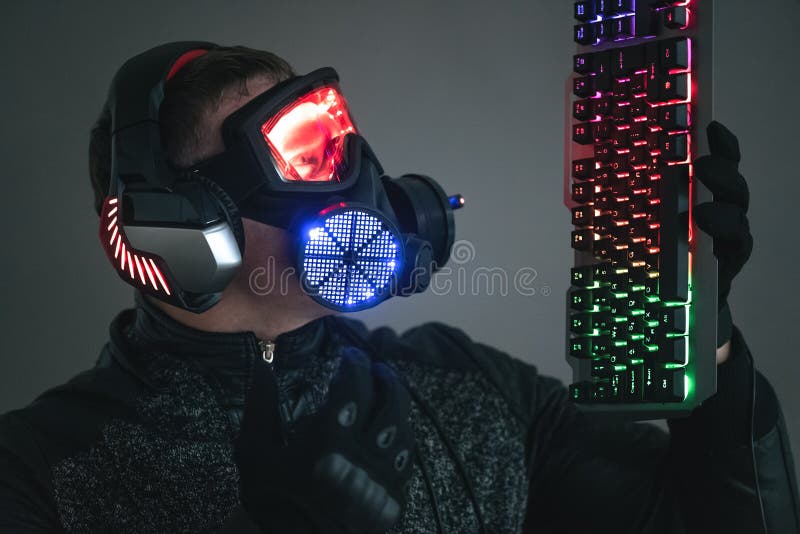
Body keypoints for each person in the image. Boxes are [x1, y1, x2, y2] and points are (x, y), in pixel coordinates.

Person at [0, 42, 797, 534]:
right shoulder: (39, 471)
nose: (355, 179)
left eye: (337, 133)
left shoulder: (473, 393)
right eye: (302, 151)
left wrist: (699, 327)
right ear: (179, 236)